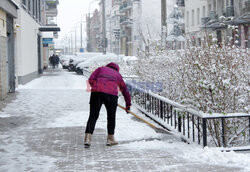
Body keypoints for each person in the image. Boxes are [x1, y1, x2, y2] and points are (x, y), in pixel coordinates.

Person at [84, 62, 131, 147]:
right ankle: (110, 138)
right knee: (111, 116)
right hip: (111, 95)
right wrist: (128, 105)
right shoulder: (118, 75)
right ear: (117, 69)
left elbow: (91, 79)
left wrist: (95, 87)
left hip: (97, 92)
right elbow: (125, 90)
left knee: (93, 115)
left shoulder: (100, 69)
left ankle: (87, 137)